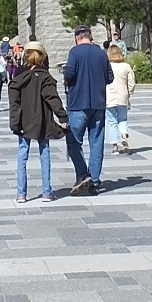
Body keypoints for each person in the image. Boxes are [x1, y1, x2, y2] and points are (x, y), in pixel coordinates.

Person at [8, 41, 67, 203]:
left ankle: (21, 194)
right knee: (44, 153)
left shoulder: (18, 74)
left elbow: (14, 101)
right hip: (42, 120)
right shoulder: (44, 75)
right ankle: (46, 192)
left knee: (22, 154)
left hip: (23, 120)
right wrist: (62, 117)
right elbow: (52, 98)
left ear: (25, 55)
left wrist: (14, 121)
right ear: (42, 57)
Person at [63, 25, 114, 196]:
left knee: (73, 141)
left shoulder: (75, 52)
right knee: (96, 143)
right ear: (90, 36)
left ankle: (83, 174)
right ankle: (95, 180)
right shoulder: (101, 53)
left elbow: (69, 74)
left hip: (78, 103)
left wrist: (66, 80)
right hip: (98, 104)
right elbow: (110, 77)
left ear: (77, 37)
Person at [106, 45, 136, 155]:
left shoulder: (107, 66)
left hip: (109, 97)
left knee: (111, 121)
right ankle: (124, 134)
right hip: (123, 96)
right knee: (122, 119)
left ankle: (115, 146)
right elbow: (131, 83)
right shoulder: (126, 66)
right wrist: (129, 93)